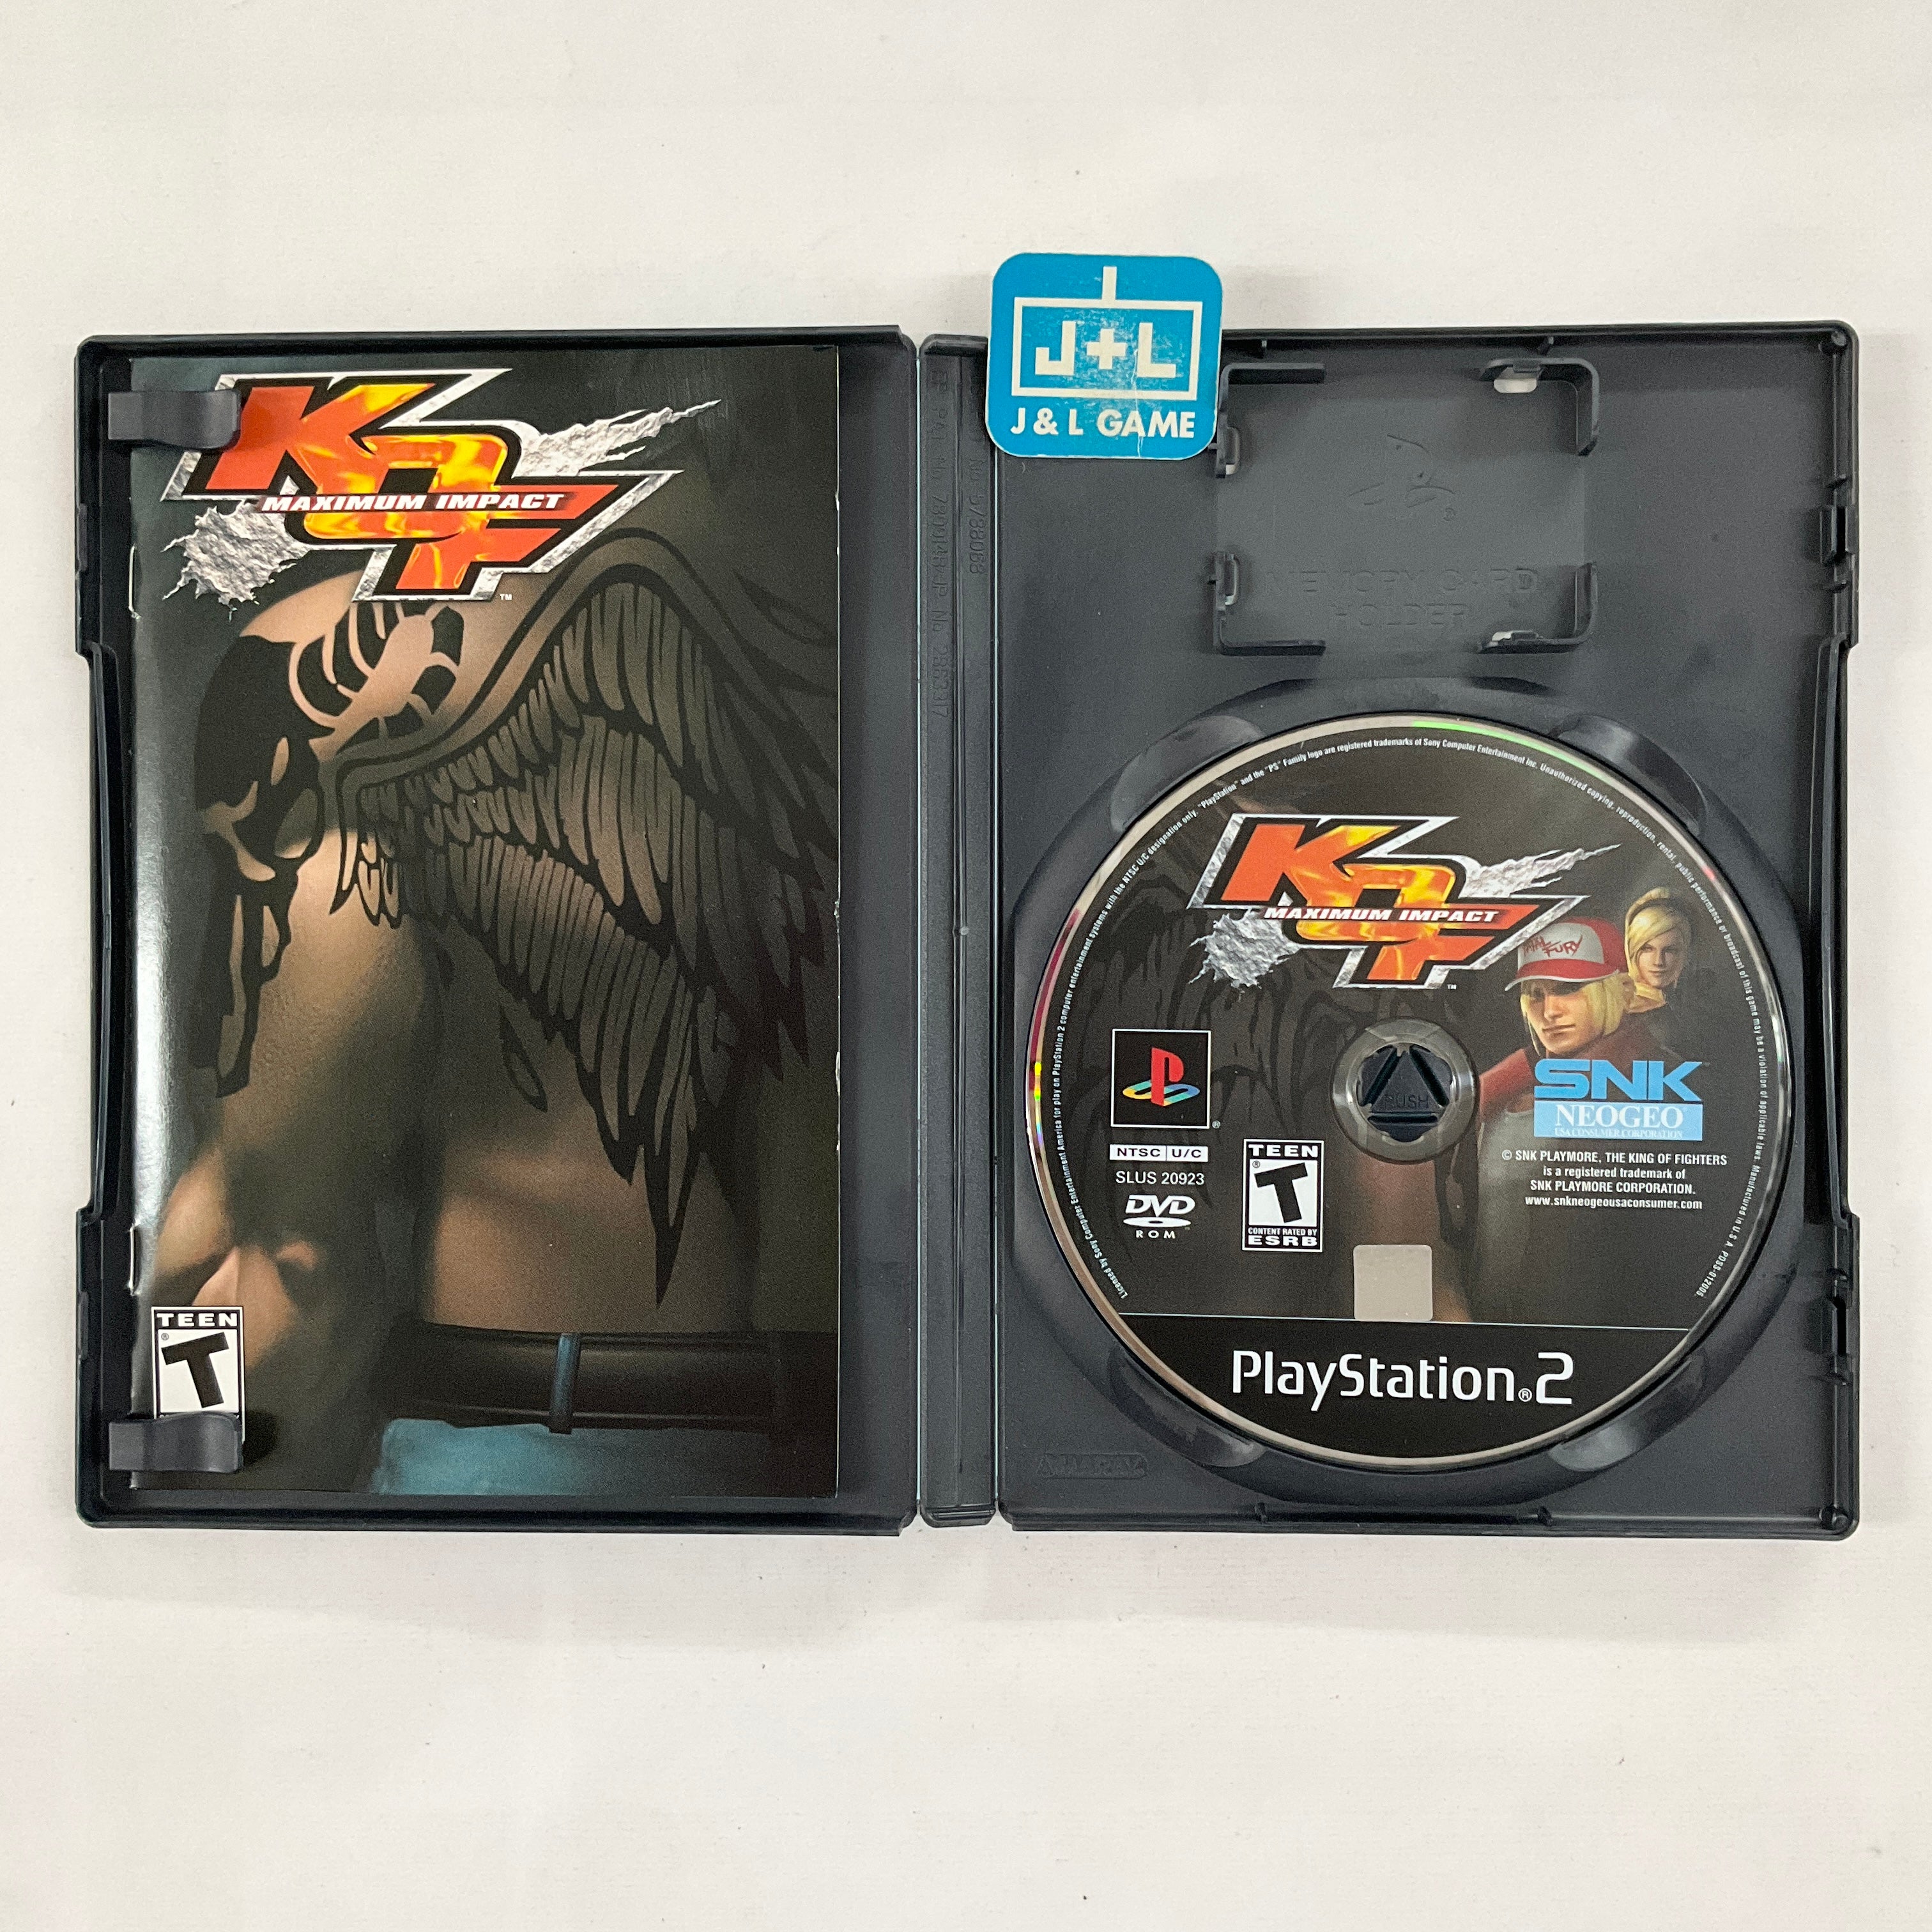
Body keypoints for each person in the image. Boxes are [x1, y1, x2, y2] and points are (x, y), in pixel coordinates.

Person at [1468, 917, 1668, 1326]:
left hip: (1590, 1333)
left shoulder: (1662, 1080)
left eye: (1568, 989)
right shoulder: (1514, 1083)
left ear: (1623, 991)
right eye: (1535, 994)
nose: (1549, 1012)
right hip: (1484, 1333)